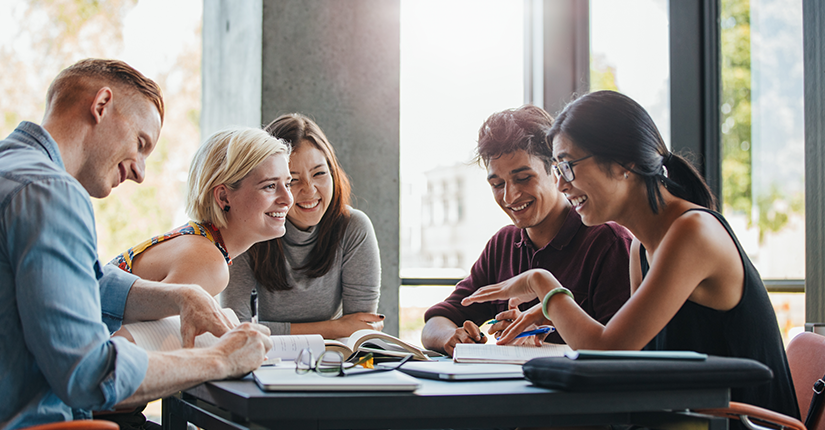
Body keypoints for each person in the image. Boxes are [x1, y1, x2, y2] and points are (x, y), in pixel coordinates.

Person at [462, 91, 799, 420]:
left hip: (739, 423)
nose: (562, 185)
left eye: (568, 167)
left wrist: (542, 284)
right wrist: (550, 316)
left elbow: (606, 352)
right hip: (691, 418)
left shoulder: (692, 233)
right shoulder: (642, 245)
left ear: (625, 163)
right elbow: (629, 356)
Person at [0, 59, 273, 429]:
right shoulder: (51, 192)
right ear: (101, 106)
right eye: (140, 144)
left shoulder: (13, 170)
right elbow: (89, 374)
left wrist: (182, 296)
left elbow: (90, 283)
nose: (141, 173)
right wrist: (222, 359)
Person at [421, 104, 633, 356]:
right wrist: (451, 337)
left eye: (523, 178)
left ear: (556, 171)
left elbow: (619, 350)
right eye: (497, 184)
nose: (509, 196)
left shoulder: (608, 242)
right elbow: (437, 321)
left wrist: (543, 333)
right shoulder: (503, 244)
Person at [222, 113, 383, 339]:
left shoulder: (353, 228)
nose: (309, 190)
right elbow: (236, 328)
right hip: (263, 361)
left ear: (333, 173)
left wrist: (343, 329)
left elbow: (360, 329)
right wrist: (334, 327)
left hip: (332, 362)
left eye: (319, 173)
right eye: (293, 180)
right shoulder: (248, 228)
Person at [109, 127, 293, 297]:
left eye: (288, 184)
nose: (288, 199)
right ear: (223, 197)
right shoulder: (208, 263)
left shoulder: (200, 242)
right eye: (270, 186)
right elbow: (131, 333)